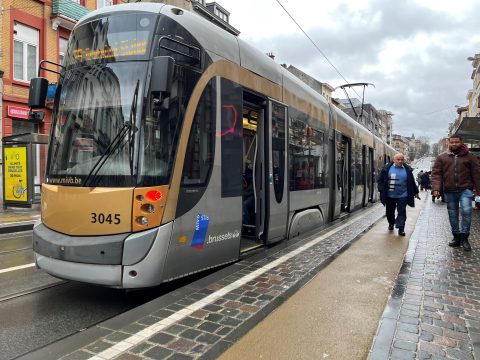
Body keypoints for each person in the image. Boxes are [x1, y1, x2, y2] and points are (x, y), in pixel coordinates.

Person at [431, 135, 480, 251]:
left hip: (465, 189)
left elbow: (477, 174)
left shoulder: (470, 157)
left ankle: (465, 237)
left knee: (467, 211)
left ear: (461, 142)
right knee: (453, 214)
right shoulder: (442, 157)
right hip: (449, 190)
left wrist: (478, 189)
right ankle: (456, 236)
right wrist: (436, 188)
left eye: (456, 142)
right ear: (449, 143)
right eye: (452, 142)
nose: (454, 144)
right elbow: (436, 174)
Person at [378, 153, 420, 236]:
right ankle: (391, 223)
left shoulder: (407, 170)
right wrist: (381, 190)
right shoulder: (387, 169)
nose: (400, 161)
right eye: (398, 159)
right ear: (394, 160)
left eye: (402, 159)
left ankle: (401, 228)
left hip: (403, 195)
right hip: (389, 195)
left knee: (402, 212)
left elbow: (411, 182)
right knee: (390, 212)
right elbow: (381, 180)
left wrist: (416, 192)